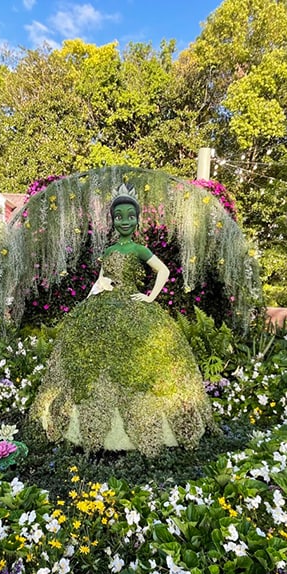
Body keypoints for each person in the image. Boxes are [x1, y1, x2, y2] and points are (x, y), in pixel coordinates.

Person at [32, 184, 211, 455]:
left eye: (130, 216)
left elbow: (163, 271)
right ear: (113, 220)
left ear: (137, 219)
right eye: (119, 216)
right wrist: (93, 295)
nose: (124, 221)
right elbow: (100, 280)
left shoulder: (139, 249)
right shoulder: (108, 251)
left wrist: (150, 297)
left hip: (133, 306)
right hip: (102, 307)